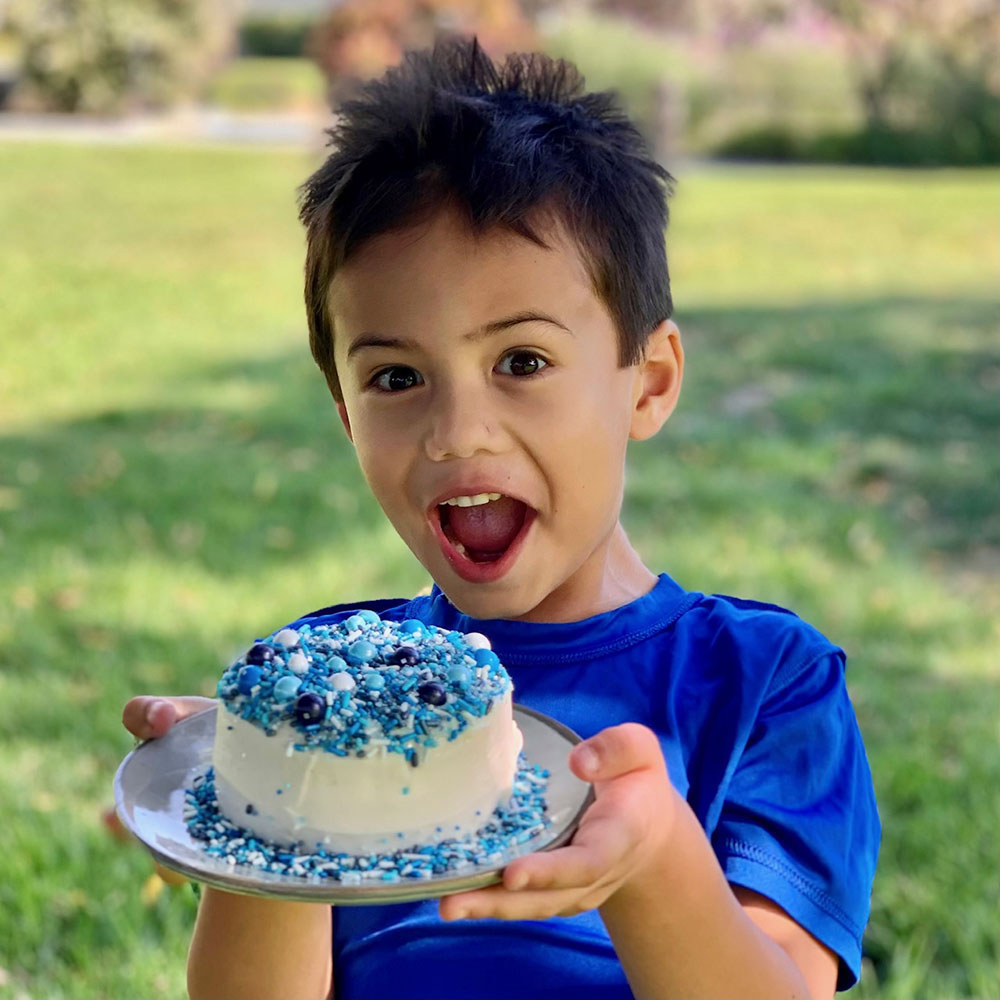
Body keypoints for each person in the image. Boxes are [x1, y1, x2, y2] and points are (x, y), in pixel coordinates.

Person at [121, 36, 879, 999]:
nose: (454, 432)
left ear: (646, 383)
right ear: (348, 414)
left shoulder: (763, 683)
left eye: (521, 361)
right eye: (396, 377)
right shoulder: (329, 690)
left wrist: (654, 863)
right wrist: (262, 805)